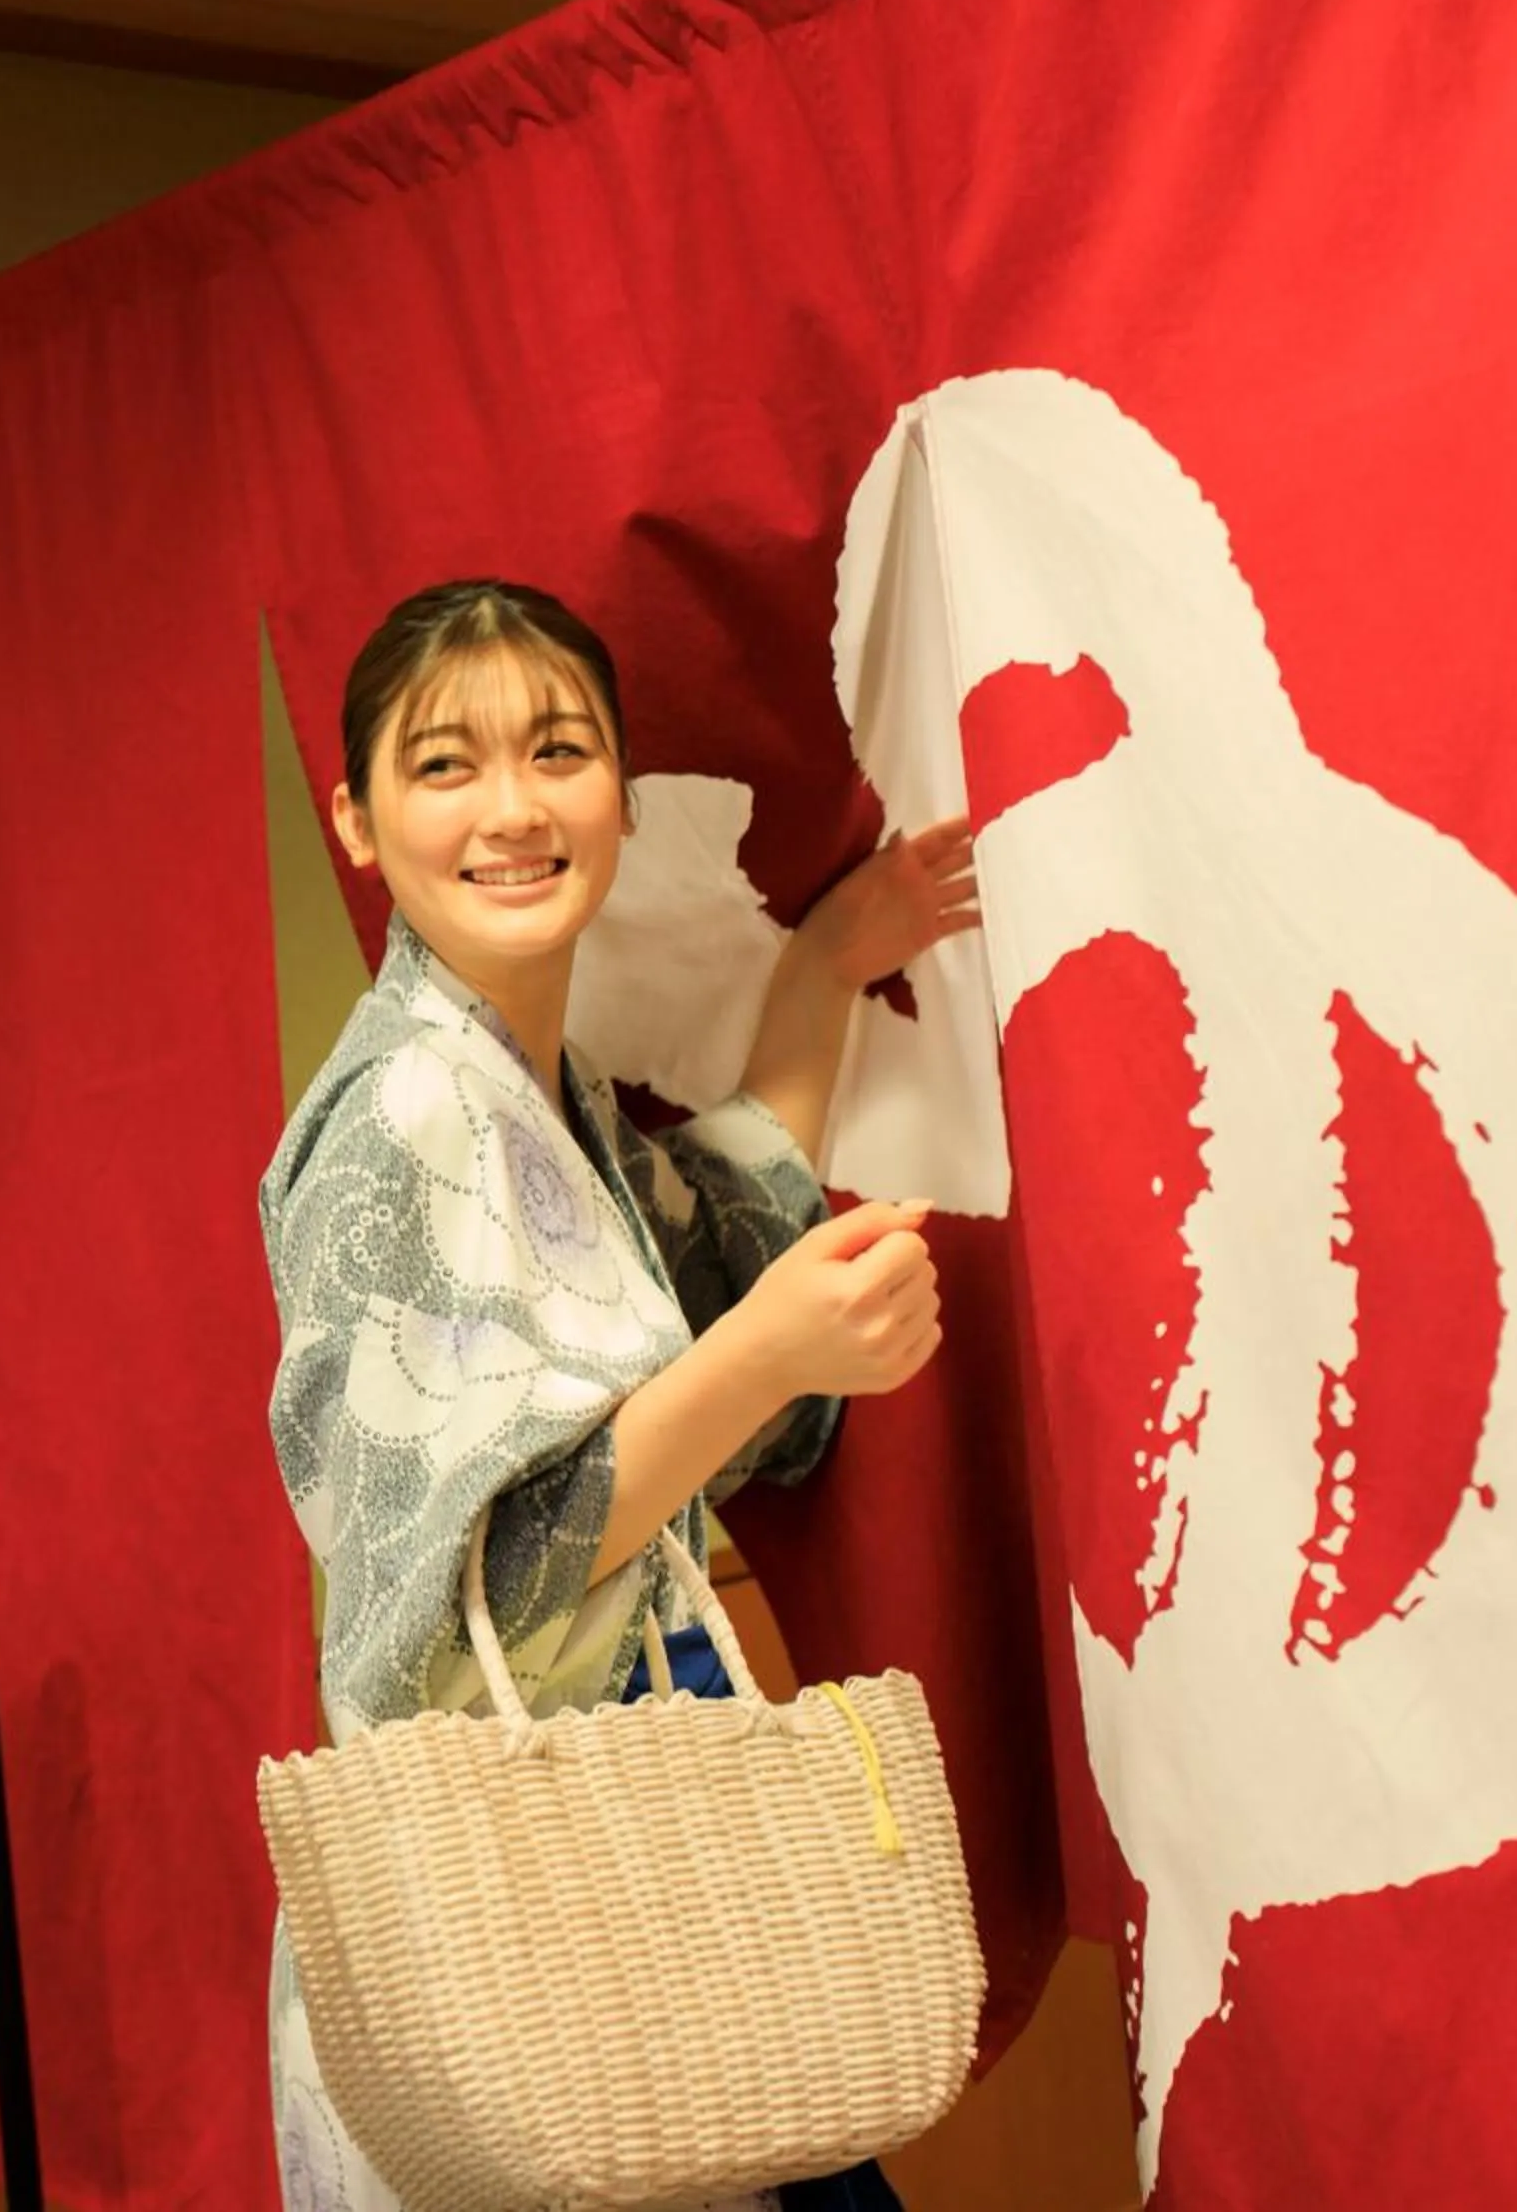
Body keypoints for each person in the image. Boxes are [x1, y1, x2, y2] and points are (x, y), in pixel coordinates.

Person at [260, 579, 978, 2211]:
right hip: (529, 1916)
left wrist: (824, 966)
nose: (511, 806)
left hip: (637, 1897)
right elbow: (466, 1593)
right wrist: (769, 1355)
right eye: (443, 766)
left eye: (557, 749)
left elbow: (713, 1250)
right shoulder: (403, 1120)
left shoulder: (536, 1085)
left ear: (623, 802)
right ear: (357, 822)